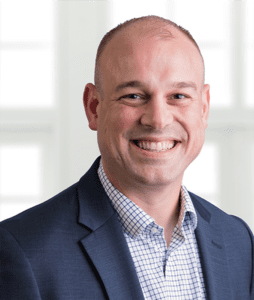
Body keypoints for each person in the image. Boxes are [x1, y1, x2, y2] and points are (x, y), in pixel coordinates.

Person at [0, 15, 253, 300]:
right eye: (133, 96)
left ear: (204, 109)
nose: (157, 120)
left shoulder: (238, 242)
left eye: (179, 96)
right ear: (93, 107)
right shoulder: (23, 251)